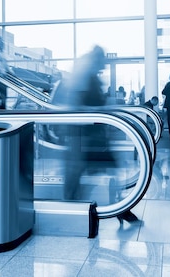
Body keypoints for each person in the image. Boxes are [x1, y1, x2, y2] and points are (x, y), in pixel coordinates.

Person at [59, 45, 139, 224]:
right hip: (82, 135)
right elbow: (76, 106)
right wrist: (102, 110)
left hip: (91, 134)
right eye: (102, 61)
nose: (104, 65)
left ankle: (119, 208)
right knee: (78, 172)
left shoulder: (90, 77)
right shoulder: (84, 78)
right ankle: (72, 210)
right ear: (96, 60)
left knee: (107, 170)